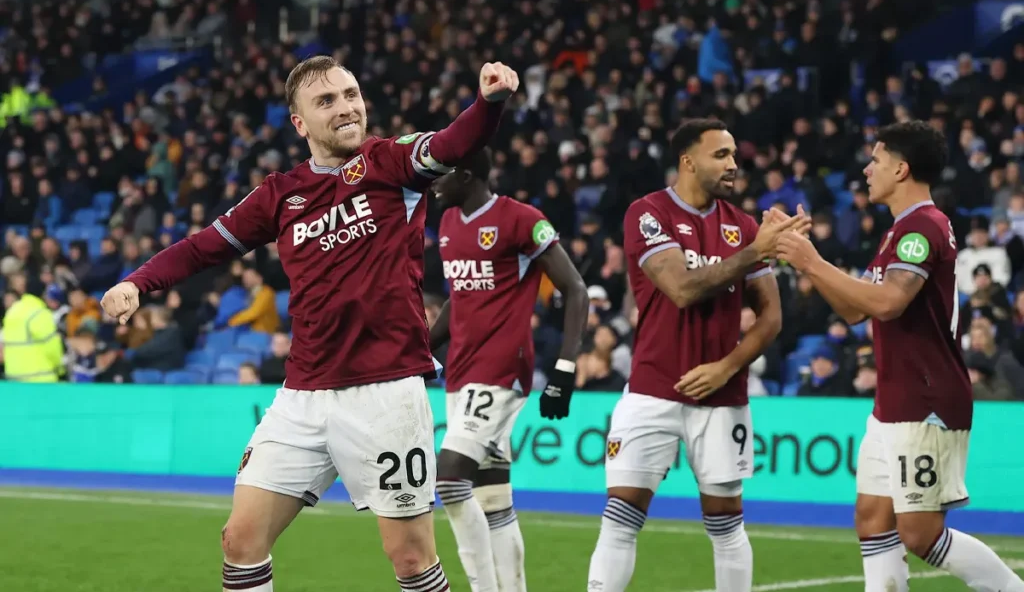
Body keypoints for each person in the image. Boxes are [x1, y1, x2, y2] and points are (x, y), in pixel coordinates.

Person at [101, 55, 520, 592]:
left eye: (351, 95)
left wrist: (488, 103)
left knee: (412, 559)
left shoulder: (391, 162)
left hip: (385, 392)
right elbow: (204, 247)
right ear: (299, 122)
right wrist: (138, 283)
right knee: (240, 541)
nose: (345, 108)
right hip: (302, 395)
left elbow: (453, 143)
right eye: (326, 101)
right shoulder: (280, 194)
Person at [773, 120, 1024, 592]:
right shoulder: (900, 231)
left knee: (921, 534)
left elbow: (889, 302)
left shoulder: (923, 227)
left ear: (902, 169)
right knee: (872, 518)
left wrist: (810, 261)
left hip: (925, 401)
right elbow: (855, 308)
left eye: (876, 160)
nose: (867, 170)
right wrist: (805, 257)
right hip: (894, 401)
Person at [586, 118, 808, 592]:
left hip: (722, 397)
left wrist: (727, 367)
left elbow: (771, 317)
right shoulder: (649, 213)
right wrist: (755, 252)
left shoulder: (743, 226)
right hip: (652, 388)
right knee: (621, 516)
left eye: (734, 155)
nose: (733, 165)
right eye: (721, 155)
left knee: (726, 524)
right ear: (688, 161)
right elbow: (681, 288)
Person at [427, 148, 588, 592]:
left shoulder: (521, 220)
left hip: (501, 369)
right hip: (461, 373)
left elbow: (575, 289)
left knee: (449, 479)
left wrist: (565, 368)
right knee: (494, 500)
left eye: (442, 173)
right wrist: (421, 350)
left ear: (466, 175)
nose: (433, 181)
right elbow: (459, 298)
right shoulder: (448, 223)